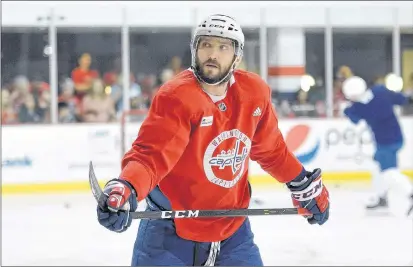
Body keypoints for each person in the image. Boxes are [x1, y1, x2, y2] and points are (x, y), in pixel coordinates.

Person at [96, 14, 330, 266]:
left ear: (237, 56)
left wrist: (303, 184)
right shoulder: (177, 96)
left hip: (233, 233)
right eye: (205, 44)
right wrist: (127, 187)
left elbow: (271, 149)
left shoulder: (254, 92)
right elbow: (151, 156)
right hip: (169, 232)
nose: (213, 54)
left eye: (223, 47)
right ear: (194, 49)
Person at [341, 76, 413, 215]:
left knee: (388, 172)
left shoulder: (358, 107)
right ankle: (382, 198)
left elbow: (354, 118)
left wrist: (346, 109)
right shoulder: (380, 91)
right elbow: (402, 99)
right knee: (378, 167)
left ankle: (410, 194)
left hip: (385, 142)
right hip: (396, 138)